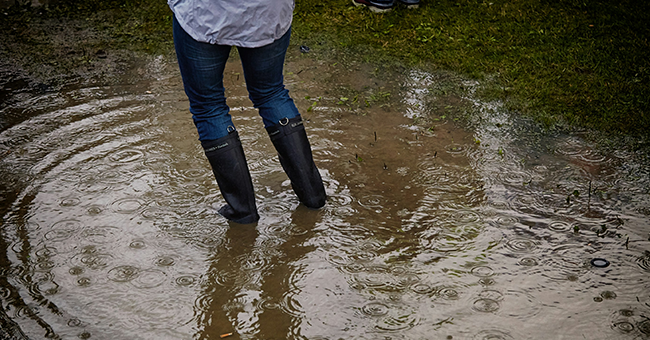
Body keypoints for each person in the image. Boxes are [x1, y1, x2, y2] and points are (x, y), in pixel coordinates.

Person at [168, 0, 327, 224]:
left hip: (207, 12)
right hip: (268, 9)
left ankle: (243, 213)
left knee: (209, 107)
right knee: (271, 93)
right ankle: (313, 196)